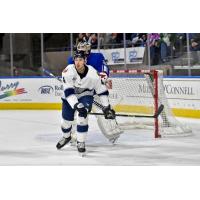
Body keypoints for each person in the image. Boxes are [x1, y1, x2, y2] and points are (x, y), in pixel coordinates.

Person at [56, 51, 115, 155]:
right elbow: (69, 92)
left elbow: (102, 91)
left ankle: (81, 142)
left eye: (80, 60)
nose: (78, 63)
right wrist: (76, 105)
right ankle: (66, 137)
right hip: (69, 98)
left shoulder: (93, 74)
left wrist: (106, 107)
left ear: (85, 61)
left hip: (85, 96)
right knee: (65, 122)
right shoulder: (67, 71)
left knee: (82, 116)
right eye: (76, 60)